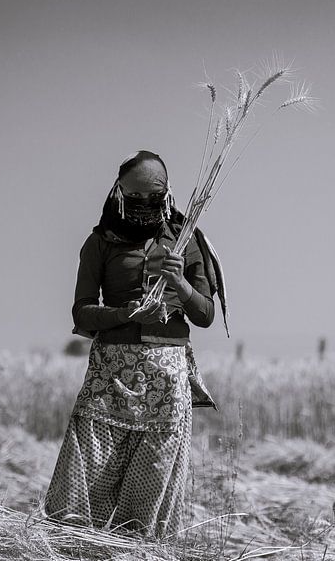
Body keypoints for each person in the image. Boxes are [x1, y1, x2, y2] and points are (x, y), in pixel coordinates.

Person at [44, 150, 224, 537]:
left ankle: (138, 548)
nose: (145, 208)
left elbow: (205, 315)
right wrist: (128, 315)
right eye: (136, 199)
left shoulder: (187, 241)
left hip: (166, 382)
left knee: (151, 484)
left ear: (167, 194)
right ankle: (73, 544)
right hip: (109, 380)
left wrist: (179, 284)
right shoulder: (100, 242)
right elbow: (82, 313)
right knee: (86, 472)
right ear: (119, 193)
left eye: (153, 199)